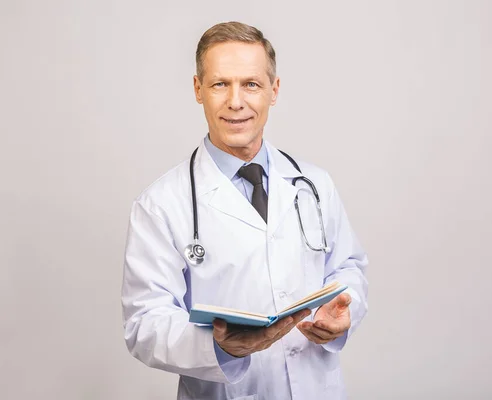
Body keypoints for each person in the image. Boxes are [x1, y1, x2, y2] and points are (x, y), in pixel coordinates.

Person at [121, 21, 368, 400]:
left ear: (274, 90)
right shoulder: (161, 204)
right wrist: (220, 347)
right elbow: (145, 324)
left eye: (251, 84)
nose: (236, 101)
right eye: (221, 84)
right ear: (198, 89)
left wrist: (344, 309)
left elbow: (347, 266)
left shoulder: (315, 184)